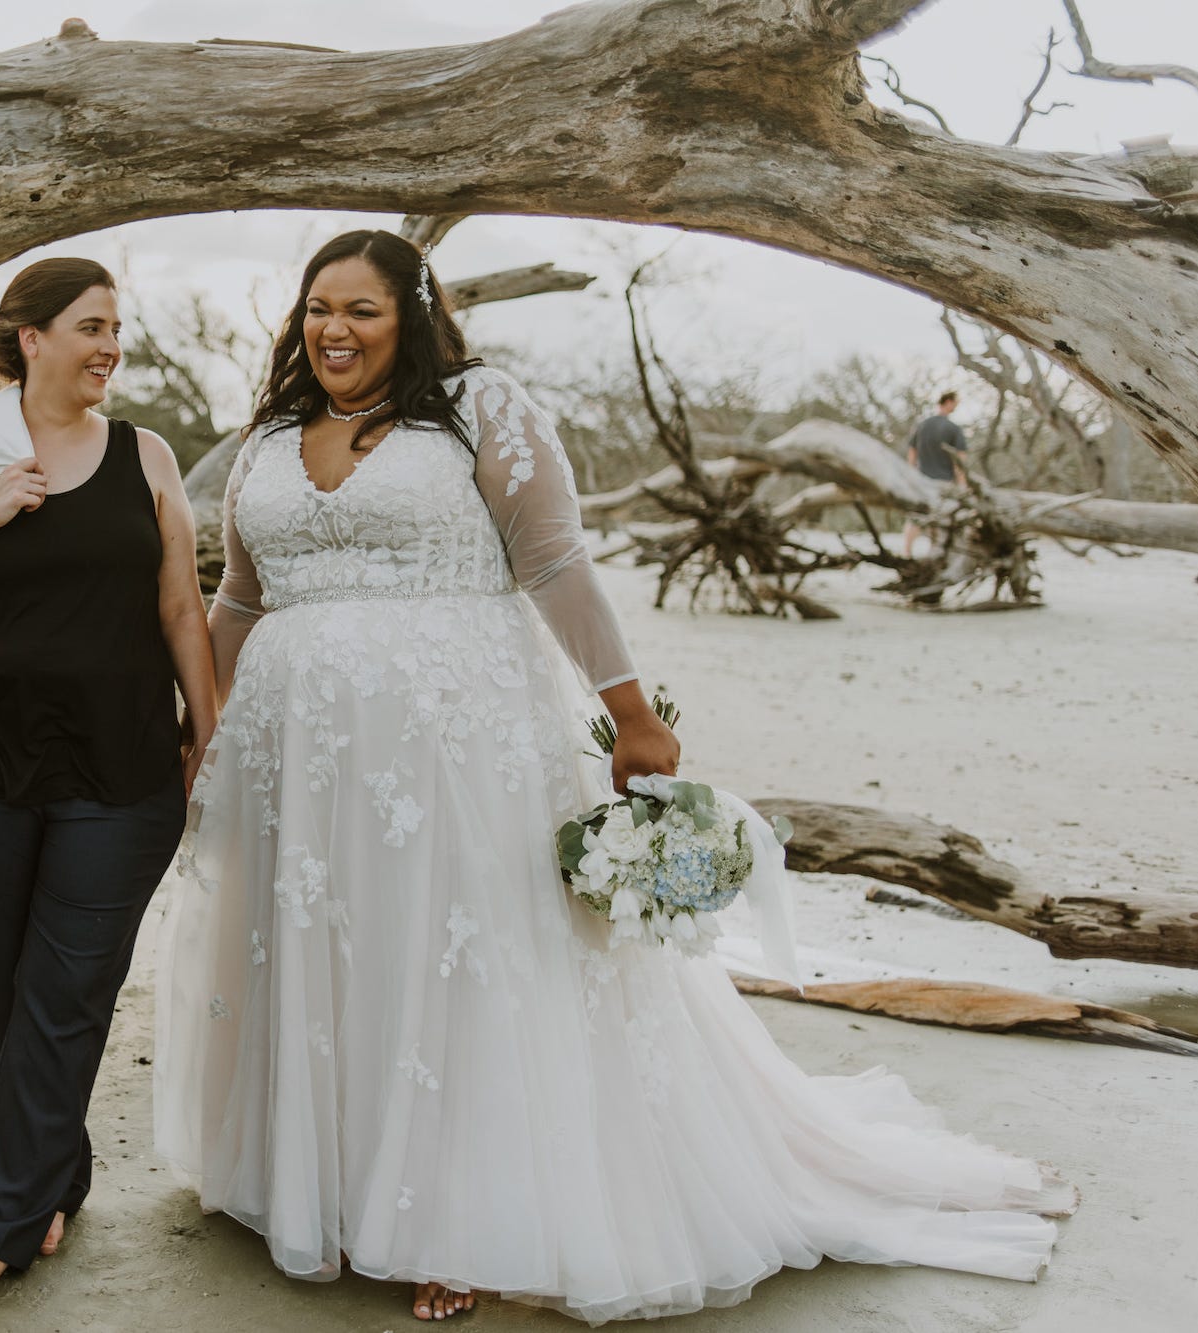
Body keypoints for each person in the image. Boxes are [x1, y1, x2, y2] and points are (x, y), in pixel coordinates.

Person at [153, 230, 1072, 1324]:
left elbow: (552, 562)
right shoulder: (266, 437)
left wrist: (628, 710)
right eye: (316, 309)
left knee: (455, 962)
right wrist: (200, 724)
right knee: (329, 955)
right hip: (293, 757)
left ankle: (456, 1212)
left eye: (359, 309)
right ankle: (329, 1182)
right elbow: (244, 599)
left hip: (457, 748)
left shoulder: (480, 408)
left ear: (412, 312)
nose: (333, 331)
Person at [0, 258, 216, 1314]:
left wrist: (209, 729)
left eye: (117, 327)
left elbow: (180, 610)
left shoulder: (147, 456)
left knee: (66, 993)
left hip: (119, 767)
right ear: (28, 338)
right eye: (90, 325)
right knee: (11, 992)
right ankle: (54, 1177)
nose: (110, 345)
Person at [901, 390, 970, 558]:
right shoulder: (953, 429)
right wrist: (963, 484)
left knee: (917, 516)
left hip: (921, 479)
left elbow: (911, 451)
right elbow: (959, 461)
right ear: (948, 402)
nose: (956, 406)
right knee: (939, 517)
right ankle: (934, 551)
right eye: (956, 403)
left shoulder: (922, 425)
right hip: (943, 482)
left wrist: (911, 473)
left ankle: (907, 552)